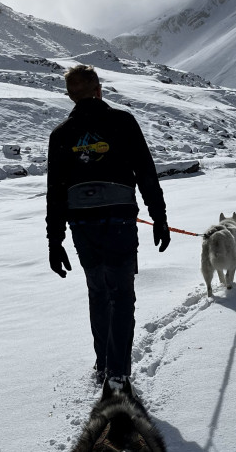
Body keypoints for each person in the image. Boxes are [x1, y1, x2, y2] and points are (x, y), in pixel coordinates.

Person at [46, 64, 170, 382]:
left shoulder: (61, 135)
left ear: (70, 96)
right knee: (122, 294)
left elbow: (56, 192)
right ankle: (117, 373)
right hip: (120, 219)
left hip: (81, 224)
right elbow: (145, 172)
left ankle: (104, 366)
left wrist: (54, 241)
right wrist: (159, 217)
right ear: (99, 88)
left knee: (98, 292)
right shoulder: (122, 122)